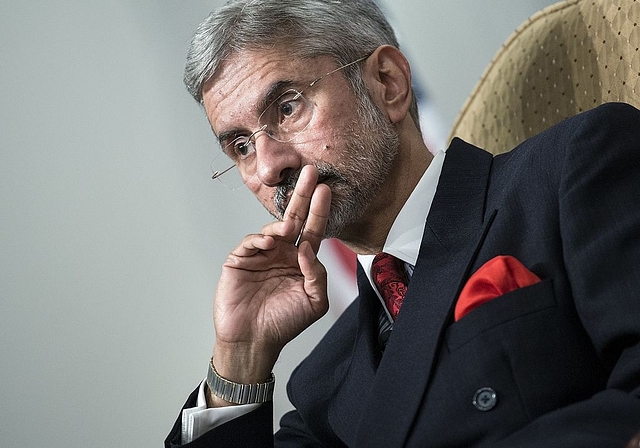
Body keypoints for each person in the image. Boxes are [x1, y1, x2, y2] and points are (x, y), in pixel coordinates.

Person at [166, 0, 640, 446]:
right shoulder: (322, 385)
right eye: (241, 147)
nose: (269, 168)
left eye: (287, 108)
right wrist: (240, 357)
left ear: (387, 82)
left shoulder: (574, 167)